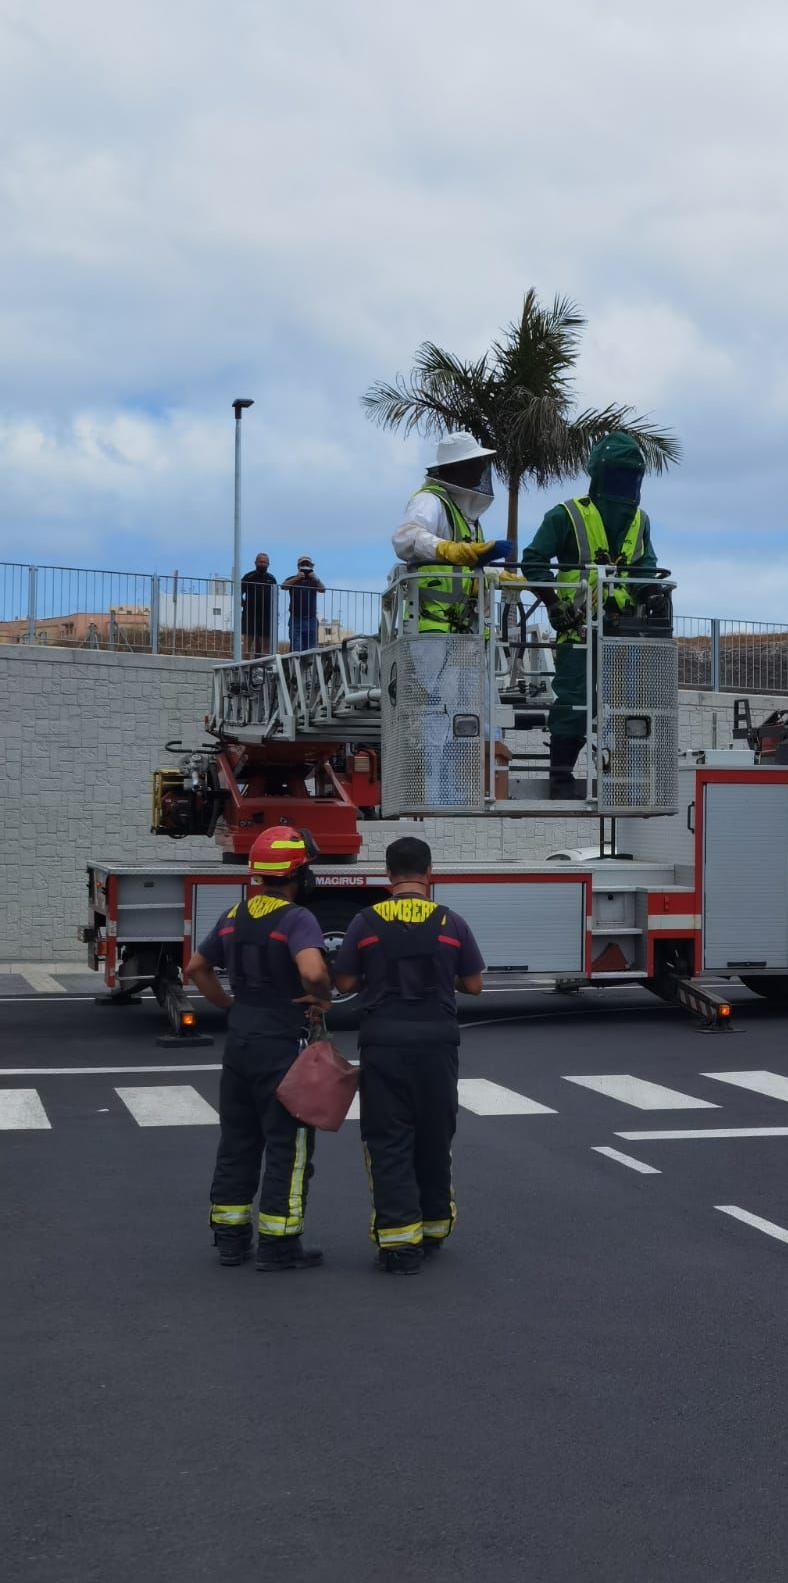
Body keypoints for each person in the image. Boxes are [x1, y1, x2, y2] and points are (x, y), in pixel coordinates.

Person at [333, 836, 484, 1275]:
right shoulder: (450, 922)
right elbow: (473, 985)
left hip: (384, 1044)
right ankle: (434, 1227)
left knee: (388, 1138)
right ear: (429, 872)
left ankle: (400, 1244)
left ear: (388, 875)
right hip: (437, 1044)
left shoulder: (365, 921)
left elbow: (343, 984)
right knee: (435, 1134)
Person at [186, 828, 332, 1271]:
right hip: (280, 1043)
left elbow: (196, 967)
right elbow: (310, 971)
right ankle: (279, 1244)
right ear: (298, 874)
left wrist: (230, 1005)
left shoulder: (234, 914)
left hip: (242, 1039)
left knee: (238, 1140)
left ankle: (230, 1239)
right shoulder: (296, 918)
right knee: (287, 1145)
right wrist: (322, 996)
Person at [521, 431, 661, 797]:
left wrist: (653, 594)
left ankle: (628, 775)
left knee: (629, 702)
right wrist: (554, 604)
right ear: (599, 475)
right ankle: (561, 777)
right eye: (617, 475)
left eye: (629, 476)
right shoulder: (566, 515)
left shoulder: (640, 521)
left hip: (625, 630)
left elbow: (646, 566)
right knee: (574, 698)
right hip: (578, 627)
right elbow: (533, 559)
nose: (623, 484)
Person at [388, 431, 515, 802]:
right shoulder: (431, 502)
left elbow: (463, 574)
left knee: (472, 715)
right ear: (457, 468)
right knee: (436, 714)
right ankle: (433, 794)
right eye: (475, 464)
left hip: (465, 632)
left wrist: (498, 578)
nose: (480, 470)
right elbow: (407, 538)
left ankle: (467, 792)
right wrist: (447, 548)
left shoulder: (465, 514)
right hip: (433, 628)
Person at [281, 555, 326, 652]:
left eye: (308, 564)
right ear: (298, 566)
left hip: (311, 619)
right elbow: (283, 586)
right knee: (297, 648)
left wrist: (315, 578)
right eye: (303, 564)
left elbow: (323, 589)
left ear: (312, 566)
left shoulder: (314, 581)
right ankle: (295, 667)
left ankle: (308, 667)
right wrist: (297, 578)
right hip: (296, 619)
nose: (305, 566)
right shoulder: (292, 578)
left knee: (311, 649)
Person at [239, 553, 277, 658]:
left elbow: (275, 596)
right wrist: (244, 605)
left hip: (266, 616)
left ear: (268, 564)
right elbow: (238, 592)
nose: (262, 564)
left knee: (265, 644)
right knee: (247, 643)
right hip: (250, 615)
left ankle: (263, 666)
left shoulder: (272, 579)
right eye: (260, 562)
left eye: (264, 562)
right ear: (255, 563)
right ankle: (244, 666)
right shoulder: (248, 577)